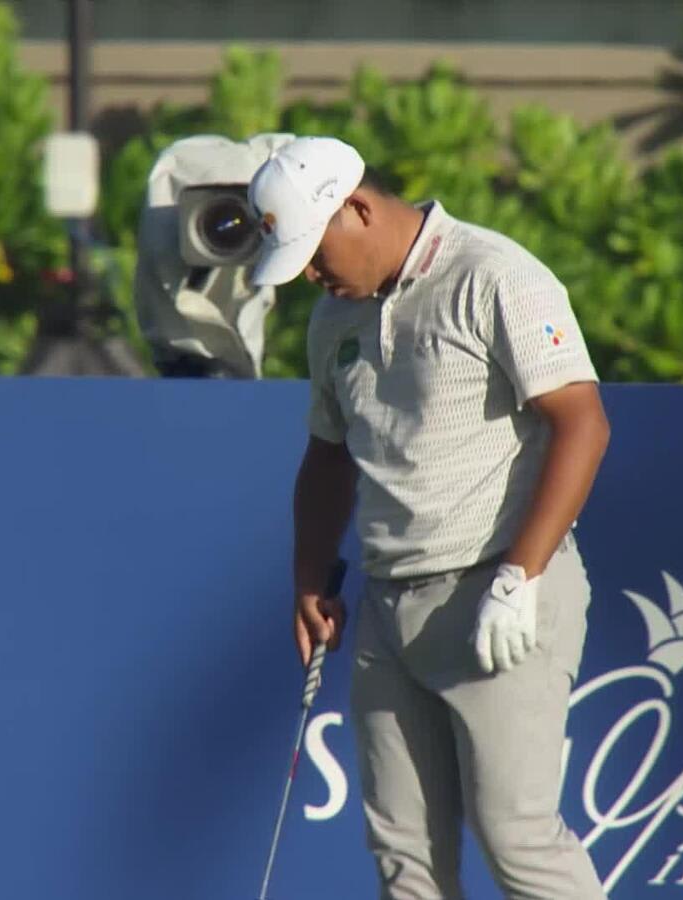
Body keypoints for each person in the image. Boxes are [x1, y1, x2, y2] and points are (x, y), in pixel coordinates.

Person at [249, 135, 611, 900]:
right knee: (403, 854)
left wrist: (522, 575)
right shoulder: (332, 321)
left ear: (357, 208)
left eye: (314, 255)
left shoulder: (494, 275)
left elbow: (582, 423)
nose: (312, 276)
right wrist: (309, 578)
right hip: (388, 605)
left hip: (499, 594)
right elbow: (328, 456)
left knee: (516, 836)